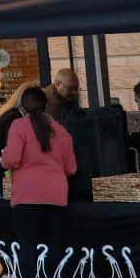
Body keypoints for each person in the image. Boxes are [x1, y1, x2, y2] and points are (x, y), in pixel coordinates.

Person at [0, 84, 77, 278]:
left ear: (23, 108)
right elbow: (71, 169)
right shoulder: (61, 130)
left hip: (26, 197)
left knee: (28, 249)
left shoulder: (19, 126)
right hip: (56, 196)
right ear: (46, 105)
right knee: (55, 248)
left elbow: (12, 159)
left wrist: (4, 160)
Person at [46, 68, 98, 201]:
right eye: (70, 88)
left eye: (76, 88)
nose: (74, 92)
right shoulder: (48, 103)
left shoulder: (65, 99)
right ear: (58, 84)